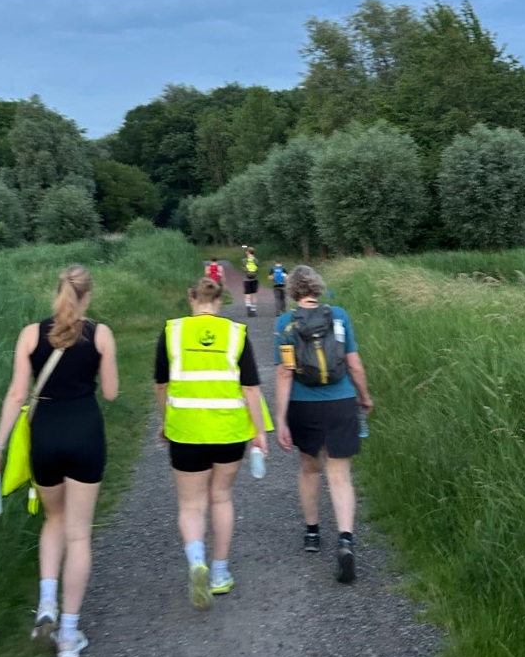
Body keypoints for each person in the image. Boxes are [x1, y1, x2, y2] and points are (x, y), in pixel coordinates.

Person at [0, 265, 118, 657]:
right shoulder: (101, 334)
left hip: (44, 437)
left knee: (53, 520)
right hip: (85, 434)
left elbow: (14, 395)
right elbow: (110, 393)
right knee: (79, 535)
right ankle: (69, 635)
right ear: (88, 295)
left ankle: (46, 604)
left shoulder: (29, 334)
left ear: (56, 292)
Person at [155, 276, 268, 607]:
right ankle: (219, 573)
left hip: (186, 431)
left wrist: (165, 421)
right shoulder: (236, 334)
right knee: (221, 497)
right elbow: (250, 389)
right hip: (229, 432)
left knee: (191, 505)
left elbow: (161, 386)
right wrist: (260, 432)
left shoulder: (172, 332)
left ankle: (196, 562)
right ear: (220, 302)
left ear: (191, 299)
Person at [274, 265, 372, 584]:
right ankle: (345, 539)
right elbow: (354, 364)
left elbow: (284, 373)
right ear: (317, 287)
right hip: (341, 401)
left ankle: (313, 533)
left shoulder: (284, 323)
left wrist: (280, 418)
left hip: (304, 405)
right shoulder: (339, 315)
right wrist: (365, 396)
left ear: (292, 291)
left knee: (309, 468)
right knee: (340, 474)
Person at [242, 246, 259, 316]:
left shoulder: (244, 260)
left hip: (247, 279)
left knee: (247, 295)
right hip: (254, 279)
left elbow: (244, 269)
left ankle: (248, 307)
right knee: (254, 294)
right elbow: (257, 268)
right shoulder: (256, 260)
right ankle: (254, 310)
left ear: (248, 252)